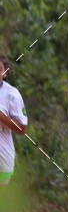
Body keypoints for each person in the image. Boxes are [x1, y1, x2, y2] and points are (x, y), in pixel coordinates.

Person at [0, 53, 28, 185]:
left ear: (5, 73)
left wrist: (2, 117)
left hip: (3, 162)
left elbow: (22, 129)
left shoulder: (12, 95)